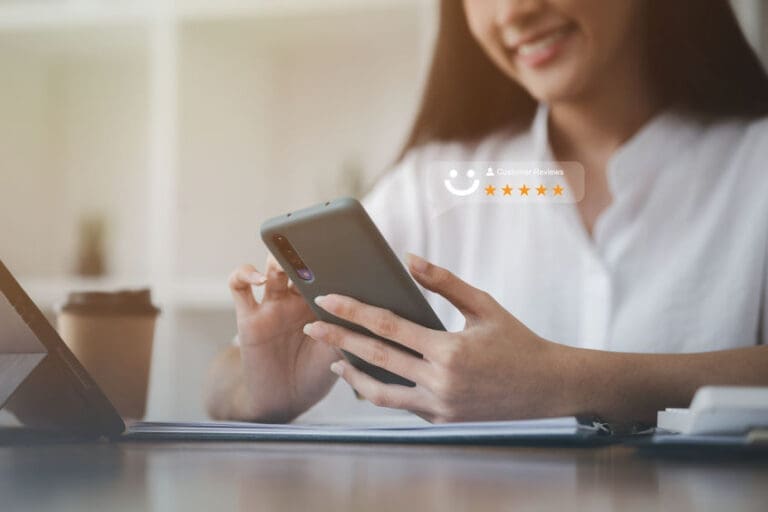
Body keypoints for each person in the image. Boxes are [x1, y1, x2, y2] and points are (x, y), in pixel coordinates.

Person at [205, 0, 768, 424]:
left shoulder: (753, 164)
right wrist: (259, 390)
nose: (514, 12)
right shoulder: (438, 182)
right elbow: (220, 382)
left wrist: (565, 382)